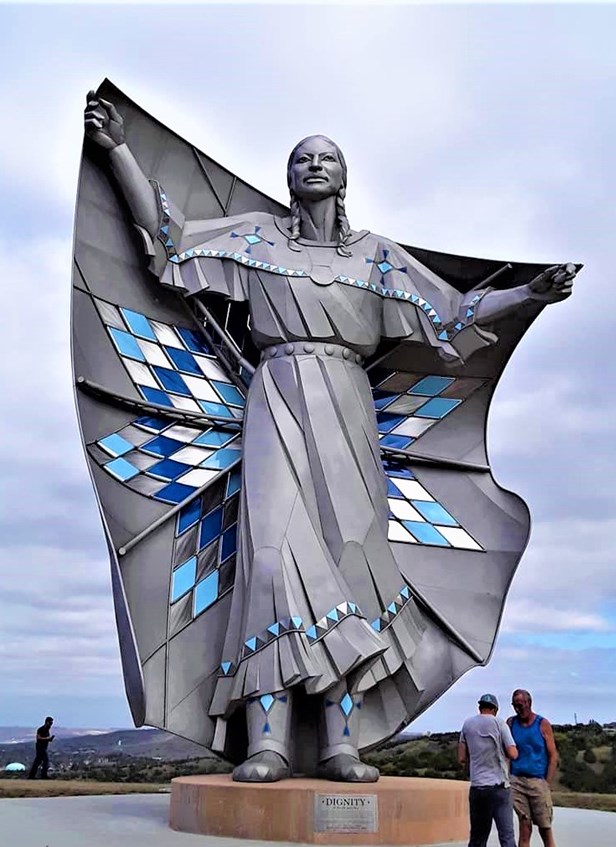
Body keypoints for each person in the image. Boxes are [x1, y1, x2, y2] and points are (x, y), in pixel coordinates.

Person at [83, 92, 575, 783]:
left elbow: (455, 316)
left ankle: (340, 742)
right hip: (277, 396)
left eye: (327, 158)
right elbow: (170, 248)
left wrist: (528, 294)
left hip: (349, 405)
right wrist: (117, 152)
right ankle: (268, 743)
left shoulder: (377, 259)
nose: (314, 165)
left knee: (350, 560)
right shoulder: (256, 241)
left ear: (343, 177)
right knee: (269, 563)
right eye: (302, 159)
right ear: (289, 179)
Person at [458, 694, 521, 847]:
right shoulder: (500, 723)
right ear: (494, 708)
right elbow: (513, 753)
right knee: (507, 839)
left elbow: (461, 758)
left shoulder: (467, 724)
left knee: (477, 840)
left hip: (478, 789)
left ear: (480, 707)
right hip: (500, 788)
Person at [508, 689, 560, 847]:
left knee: (545, 829)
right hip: (517, 780)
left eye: (521, 705)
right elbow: (506, 751)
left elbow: (553, 755)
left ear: (529, 703)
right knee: (524, 827)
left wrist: (547, 782)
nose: (518, 708)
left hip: (538, 780)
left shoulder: (542, 724)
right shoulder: (511, 723)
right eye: (515, 705)